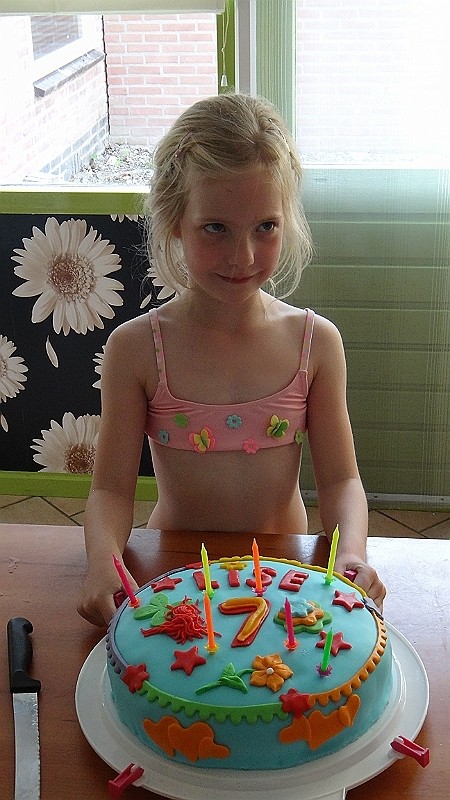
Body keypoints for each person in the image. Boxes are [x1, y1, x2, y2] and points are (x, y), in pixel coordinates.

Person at [78, 93, 386, 628]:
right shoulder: (136, 350)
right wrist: (103, 563)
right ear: (175, 222)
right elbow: (110, 490)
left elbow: (340, 482)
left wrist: (352, 552)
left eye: (265, 227)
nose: (242, 256)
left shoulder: (315, 343)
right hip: (176, 573)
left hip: (285, 578)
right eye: (215, 228)